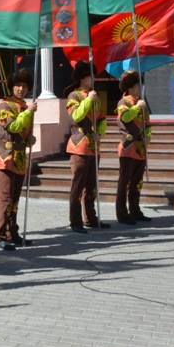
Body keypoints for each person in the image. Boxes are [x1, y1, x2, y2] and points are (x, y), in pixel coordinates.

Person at [0, 68, 37, 250]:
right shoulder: (5, 105)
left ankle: (13, 232)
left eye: (24, 86)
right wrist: (28, 113)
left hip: (20, 157)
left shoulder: (25, 107)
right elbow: (12, 127)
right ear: (12, 87)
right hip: (6, 156)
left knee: (15, 199)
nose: (21, 89)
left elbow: (24, 132)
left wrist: (30, 138)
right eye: (18, 85)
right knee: (4, 197)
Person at [64, 61, 108, 233]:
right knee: (78, 185)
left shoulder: (94, 96)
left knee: (91, 185)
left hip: (93, 145)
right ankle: (75, 221)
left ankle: (90, 217)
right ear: (82, 78)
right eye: (90, 75)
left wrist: (101, 132)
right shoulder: (74, 96)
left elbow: (102, 118)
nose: (93, 79)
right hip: (79, 145)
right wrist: (88, 100)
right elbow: (76, 115)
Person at [114, 71, 151, 225]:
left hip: (140, 147)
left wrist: (148, 136)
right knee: (125, 182)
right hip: (128, 147)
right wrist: (137, 108)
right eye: (136, 85)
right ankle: (122, 213)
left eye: (139, 85)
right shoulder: (124, 102)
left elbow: (147, 124)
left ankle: (135, 210)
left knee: (137, 182)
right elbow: (125, 117)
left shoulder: (141, 102)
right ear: (129, 87)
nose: (138, 88)